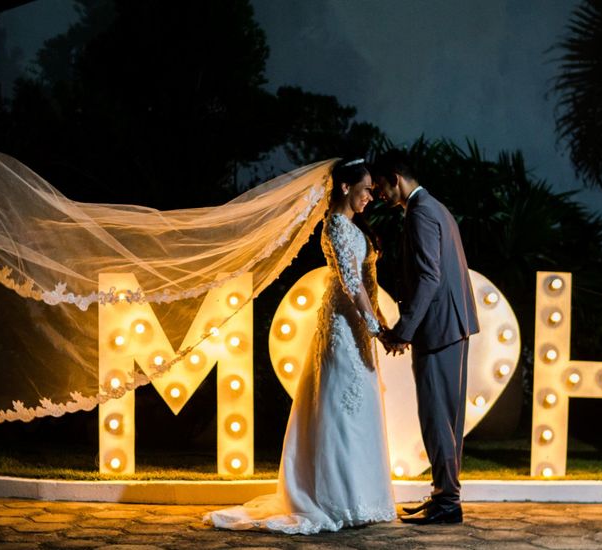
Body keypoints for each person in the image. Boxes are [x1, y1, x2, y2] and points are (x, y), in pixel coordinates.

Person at [204, 158, 396, 534]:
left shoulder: (358, 229)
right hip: (342, 326)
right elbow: (350, 283)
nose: (371, 196)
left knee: (360, 408)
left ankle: (363, 496)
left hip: (358, 329)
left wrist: (381, 323)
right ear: (345, 187)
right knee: (338, 407)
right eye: (366, 189)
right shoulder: (335, 226)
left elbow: (368, 285)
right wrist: (374, 326)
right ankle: (333, 498)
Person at [373, 149, 480, 525]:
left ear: (397, 177)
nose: (379, 193)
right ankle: (443, 495)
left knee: (438, 418)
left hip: (438, 329)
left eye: (382, 185)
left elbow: (429, 278)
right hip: (452, 325)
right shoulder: (436, 207)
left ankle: (448, 502)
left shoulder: (420, 213)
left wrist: (405, 330)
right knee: (446, 418)